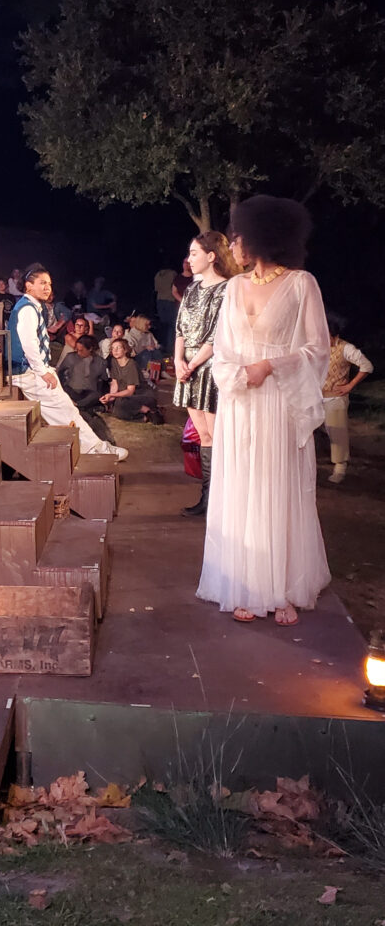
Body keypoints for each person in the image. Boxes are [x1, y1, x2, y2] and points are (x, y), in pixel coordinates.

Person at [197, 195, 331, 626]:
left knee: (276, 487)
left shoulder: (300, 283)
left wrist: (270, 365)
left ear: (262, 237)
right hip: (240, 403)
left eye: (238, 236)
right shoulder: (234, 287)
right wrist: (236, 375)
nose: (233, 245)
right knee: (241, 487)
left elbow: (317, 350)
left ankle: (281, 588)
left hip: (278, 400)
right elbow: (221, 348)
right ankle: (244, 584)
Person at [9, 263, 127, 459]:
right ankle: (94, 449)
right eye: (42, 283)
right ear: (28, 286)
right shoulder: (27, 309)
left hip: (32, 370)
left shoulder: (33, 307)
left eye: (49, 283)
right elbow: (28, 343)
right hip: (27, 372)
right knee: (64, 409)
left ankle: (91, 446)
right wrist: (43, 371)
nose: (47, 287)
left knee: (66, 409)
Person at [172, 231, 239, 516]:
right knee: (203, 435)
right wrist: (177, 361)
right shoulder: (191, 290)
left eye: (195, 253)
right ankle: (207, 496)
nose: (189, 259)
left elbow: (216, 336)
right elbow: (180, 329)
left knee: (216, 433)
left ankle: (222, 497)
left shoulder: (227, 290)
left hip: (209, 368)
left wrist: (192, 364)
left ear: (212, 256)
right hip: (188, 368)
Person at [322, 313, 373, 484]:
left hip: (335, 397)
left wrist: (350, 385)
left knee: (337, 431)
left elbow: (366, 366)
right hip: (315, 396)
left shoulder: (345, 348)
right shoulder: (317, 347)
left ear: (334, 335)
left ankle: (340, 467)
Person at [57, 334, 115, 443]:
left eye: (81, 350)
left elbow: (105, 381)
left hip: (89, 395)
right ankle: (84, 411)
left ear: (90, 349)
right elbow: (59, 375)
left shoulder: (100, 362)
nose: (78, 353)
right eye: (77, 350)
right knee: (86, 412)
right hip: (72, 391)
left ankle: (80, 408)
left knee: (94, 395)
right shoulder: (70, 357)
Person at [101, 338, 160, 421]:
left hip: (140, 394)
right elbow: (115, 383)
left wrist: (112, 395)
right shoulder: (114, 361)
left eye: (118, 348)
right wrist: (110, 397)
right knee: (116, 408)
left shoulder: (131, 364)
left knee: (121, 405)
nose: (115, 350)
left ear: (125, 350)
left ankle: (147, 411)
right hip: (125, 395)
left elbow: (130, 391)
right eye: (113, 348)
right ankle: (144, 416)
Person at [153, 265, 179, 354]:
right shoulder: (172, 274)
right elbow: (175, 285)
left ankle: (163, 346)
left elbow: (156, 288)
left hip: (160, 301)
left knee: (164, 325)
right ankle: (169, 348)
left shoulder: (158, 274)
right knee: (172, 326)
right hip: (170, 300)